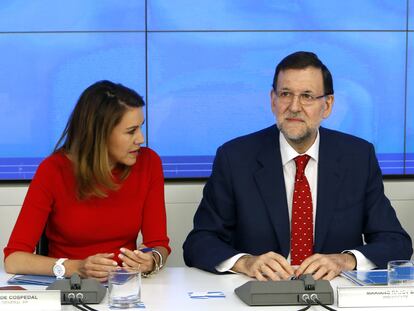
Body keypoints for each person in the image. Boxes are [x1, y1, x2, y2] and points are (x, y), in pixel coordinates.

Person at [183, 51, 412, 281]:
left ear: (328, 105)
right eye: (285, 94)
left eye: (307, 96)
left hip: (334, 294)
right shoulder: (235, 157)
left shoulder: (358, 157)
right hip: (259, 294)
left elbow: (396, 242)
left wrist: (345, 260)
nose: (294, 106)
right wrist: (245, 262)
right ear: (273, 100)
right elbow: (199, 242)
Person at [4, 80, 170, 281]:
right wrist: (76, 267)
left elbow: (158, 243)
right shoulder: (53, 170)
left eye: (140, 128)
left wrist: (152, 259)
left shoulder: (149, 163)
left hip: (125, 289)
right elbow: (14, 259)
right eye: (130, 131)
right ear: (99, 133)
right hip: (69, 288)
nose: (141, 139)